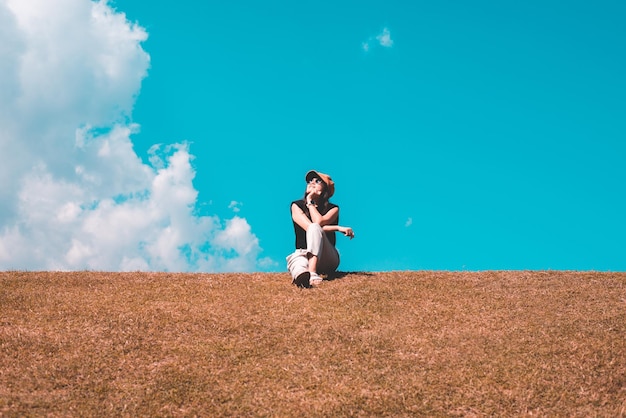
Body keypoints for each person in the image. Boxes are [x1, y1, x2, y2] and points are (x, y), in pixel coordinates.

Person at [286, 170, 355, 288]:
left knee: (315, 227)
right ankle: (301, 277)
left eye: (317, 181)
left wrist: (310, 203)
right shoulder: (296, 206)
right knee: (297, 259)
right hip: (304, 253)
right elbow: (311, 227)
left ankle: (312, 273)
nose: (312, 183)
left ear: (325, 189)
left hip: (328, 257)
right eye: (310, 181)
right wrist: (337, 227)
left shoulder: (333, 208)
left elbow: (318, 222)